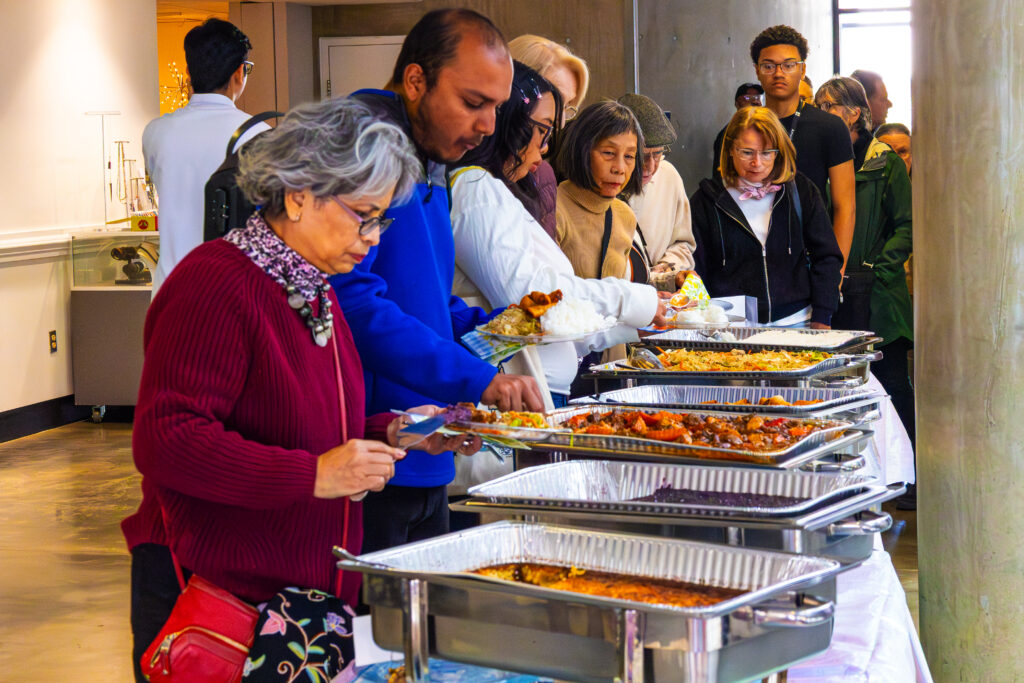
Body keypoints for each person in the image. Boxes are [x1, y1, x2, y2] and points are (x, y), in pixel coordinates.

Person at [122, 98, 481, 682]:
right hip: (218, 600)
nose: (373, 238)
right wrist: (314, 476)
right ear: (298, 196)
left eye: (382, 220)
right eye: (364, 215)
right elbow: (167, 441)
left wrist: (393, 432)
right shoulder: (217, 283)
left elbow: (299, 429)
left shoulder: (312, 284)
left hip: (293, 609)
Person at [328, 9, 543, 555]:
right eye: (474, 103)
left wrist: (498, 327)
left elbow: (421, 297)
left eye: (496, 106)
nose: (490, 126)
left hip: (429, 444)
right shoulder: (364, 146)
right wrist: (476, 378)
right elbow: (352, 302)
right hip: (374, 454)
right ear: (416, 81)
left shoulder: (431, 157)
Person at [449, 63, 663, 407]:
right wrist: (635, 301)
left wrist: (634, 326)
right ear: (510, 123)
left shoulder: (498, 191)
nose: (546, 147)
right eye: (543, 130)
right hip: (520, 393)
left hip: (540, 388)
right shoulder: (475, 189)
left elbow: (562, 323)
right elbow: (532, 300)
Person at [814, 77, 914, 508]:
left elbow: (907, 226)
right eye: (816, 104)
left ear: (854, 113)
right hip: (834, 289)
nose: (819, 112)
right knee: (840, 388)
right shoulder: (819, 158)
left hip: (879, 294)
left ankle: (908, 478)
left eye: (828, 105)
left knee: (890, 383)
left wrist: (878, 266)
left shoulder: (883, 162)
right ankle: (855, 478)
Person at [142, 18, 271, 295]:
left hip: (169, 294)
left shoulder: (155, 133)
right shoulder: (259, 135)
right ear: (239, 72)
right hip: (232, 293)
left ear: (188, 71)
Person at [712, 25, 856, 270]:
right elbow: (722, 201)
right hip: (750, 260)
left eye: (788, 65)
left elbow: (845, 206)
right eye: (769, 66)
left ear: (802, 69)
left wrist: (836, 274)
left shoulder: (830, 128)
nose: (779, 73)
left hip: (809, 257)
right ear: (757, 71)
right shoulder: (734, 132)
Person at [691, 106, 843, 327]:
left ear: (779, 151)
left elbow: (827, 256)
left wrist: (823, 315)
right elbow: (695, 271)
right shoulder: (706, 200)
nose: (757, 163)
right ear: (731, 149)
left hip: (797, 321)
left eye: (767, 152)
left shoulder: (800, 190)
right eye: (747, 152)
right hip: (731, 326)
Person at [509, 34, 591, 238]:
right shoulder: (468, 175)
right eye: (555, 101)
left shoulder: (543, 173)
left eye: (568, 107)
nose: (560, 123)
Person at [555, 101, 646, 283]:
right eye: (609, 153)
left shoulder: (624, 215)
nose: (620, 168)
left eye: (629, 156)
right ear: (582, 150)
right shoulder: (554, 208)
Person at [618, 93, 696, 287]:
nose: (651, 166)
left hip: (665, 298)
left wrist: (669, 265)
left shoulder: (669, 176)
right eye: (641, 156)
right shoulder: (604, 184)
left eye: (658, 153)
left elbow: (683, 243)